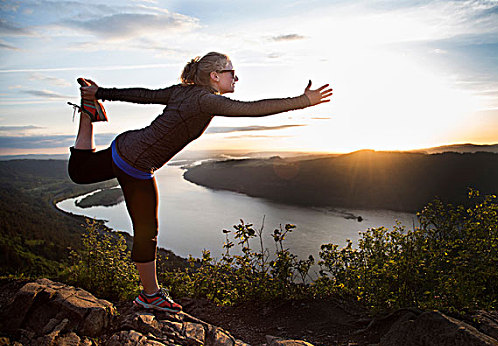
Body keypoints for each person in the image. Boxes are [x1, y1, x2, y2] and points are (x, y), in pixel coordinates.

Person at [68, 52, 332, 313]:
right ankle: (150, 296)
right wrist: (303, 101)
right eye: (232, 72)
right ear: (215, 76)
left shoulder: (183, 92)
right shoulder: (206, 100)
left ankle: (87, 111)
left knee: (80, 173)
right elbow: (252, 109)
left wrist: (100, 93)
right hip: (136, 164)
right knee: (147, 231)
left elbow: (143, 95)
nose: (236, 78)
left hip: (125, 146)